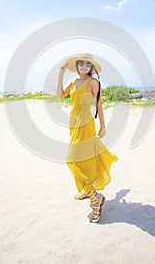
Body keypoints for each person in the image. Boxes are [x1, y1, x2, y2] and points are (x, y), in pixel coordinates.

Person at [57, 53, 118, 223]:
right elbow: (61, 95)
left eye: (87, 64)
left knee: (74, 159)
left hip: (85, 123)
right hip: (74, 122)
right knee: (81, 158)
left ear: (91, 67)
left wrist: (103, 126)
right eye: (81, 64)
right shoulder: (74, 82)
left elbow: (98, 104)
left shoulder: (93, 82)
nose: (84, 66)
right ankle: (87, 189)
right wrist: (61, 74)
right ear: (77, 67)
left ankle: (95, 197)